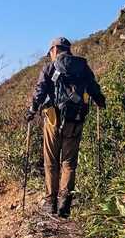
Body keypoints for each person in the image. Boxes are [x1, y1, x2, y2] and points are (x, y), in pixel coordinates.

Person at [26, 36, 105, 218]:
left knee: (51, 162)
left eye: (51, 52)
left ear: (54, 50)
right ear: (68, 50)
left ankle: (50, 202)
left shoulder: (49, 68)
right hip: (75, 120)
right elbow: (94, 89)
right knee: (69, 163)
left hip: (53, 120)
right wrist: (100, 101)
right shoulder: (82, 67)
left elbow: (40, 92)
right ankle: (65, 203)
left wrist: (32, 110)